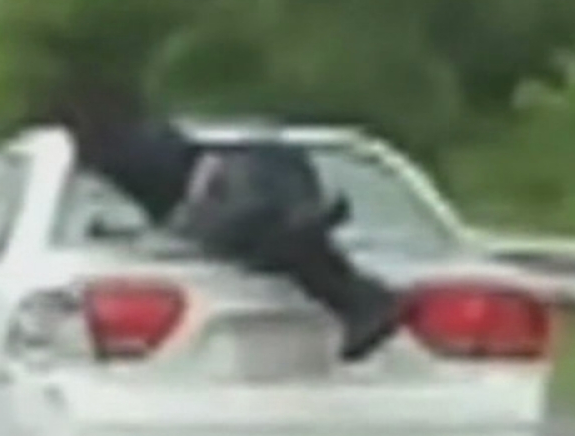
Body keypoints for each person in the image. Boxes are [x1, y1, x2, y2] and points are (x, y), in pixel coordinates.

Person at [48, 79, 403, 362]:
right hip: (242, 183)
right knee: (270, 233)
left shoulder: (103, 155)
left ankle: (342, 275)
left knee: (263, 233)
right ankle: (345, 277)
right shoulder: (147, 140)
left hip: (218, 195)